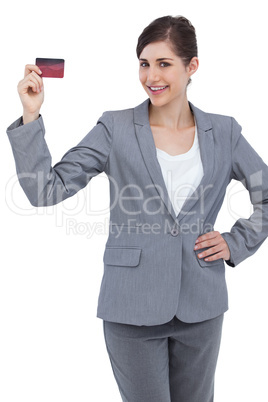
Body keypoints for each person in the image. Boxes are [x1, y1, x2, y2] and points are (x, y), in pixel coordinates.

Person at [6, 15, 268, 402]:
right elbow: (45, 190)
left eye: (164, 64)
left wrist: (236, 241)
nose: (151, 76)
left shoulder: (224, 132)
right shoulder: (115, 128)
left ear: (191, 66)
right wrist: (31, 115)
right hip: (131, 306)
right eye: (144, 64)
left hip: (202, 305)